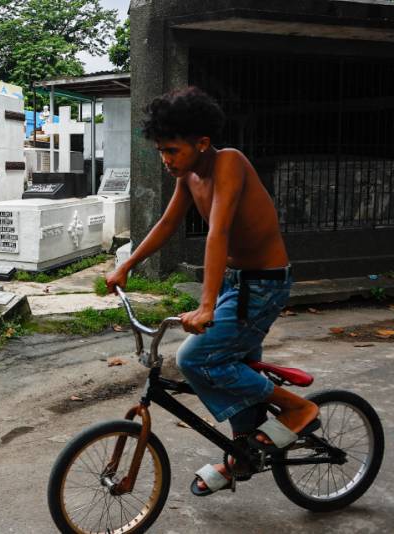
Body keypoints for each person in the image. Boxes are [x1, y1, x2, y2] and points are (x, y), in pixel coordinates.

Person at [105, 87, 319, 496]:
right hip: (240, 285)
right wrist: (126, 264)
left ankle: (297, 408)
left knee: (196, 358)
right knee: (237, 376)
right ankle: (243, 455)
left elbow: (217, 231)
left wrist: (207, 305)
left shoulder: (229, 164)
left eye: (172, 150)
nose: (165, 160)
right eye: (161, 151)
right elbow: (168, 225)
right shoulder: (188, 175)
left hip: (264, 284)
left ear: (202, 143)